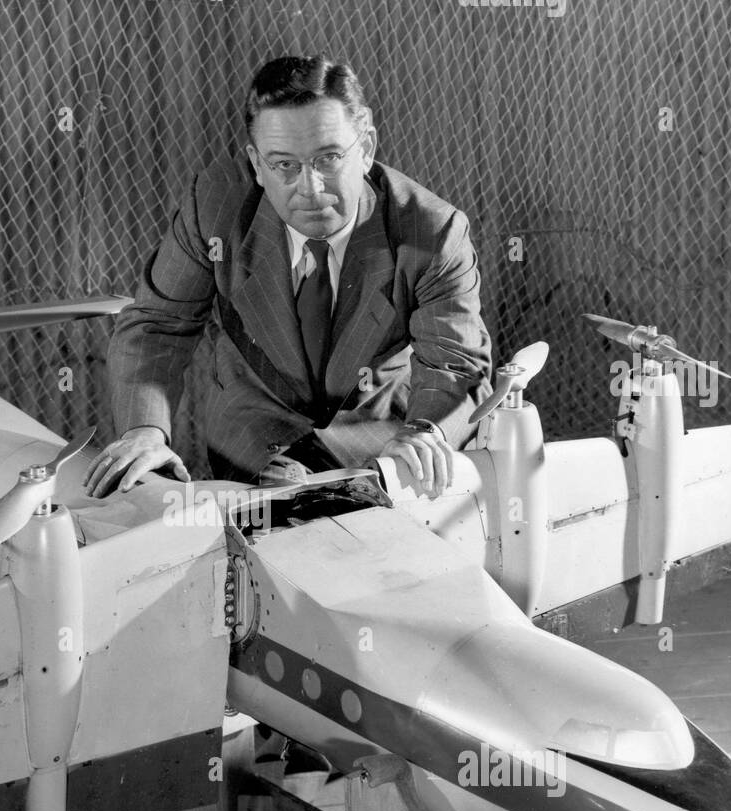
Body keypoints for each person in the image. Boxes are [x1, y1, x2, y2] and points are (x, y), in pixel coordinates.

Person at [84, 54, 492, 500]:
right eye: (284, 165)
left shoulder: (432, 231)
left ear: (367, 148)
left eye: (328, 158)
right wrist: (144, 431)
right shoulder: (215, 206)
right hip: (254, 437)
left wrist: (423, 431)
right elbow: (157, 326)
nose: (310, 188)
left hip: (378, 443)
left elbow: (455, 362)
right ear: (257, 165)